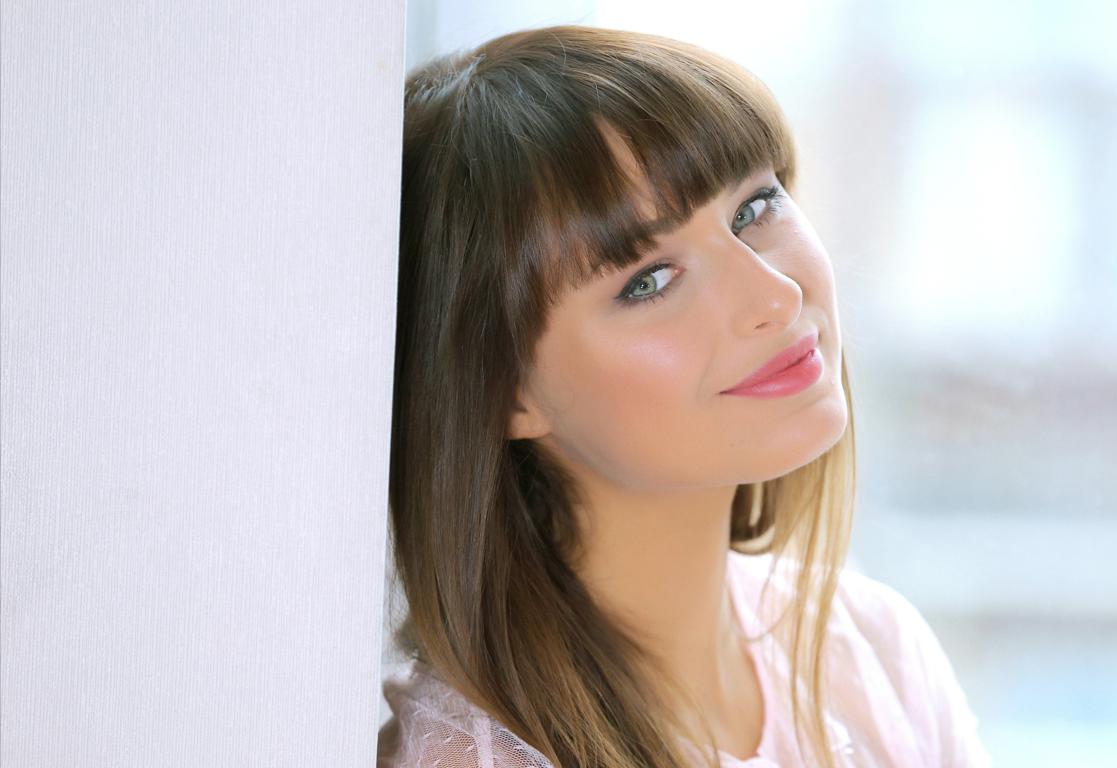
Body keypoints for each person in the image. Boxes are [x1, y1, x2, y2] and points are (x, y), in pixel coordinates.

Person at [379, 23, 991, 768]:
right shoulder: (477, 757)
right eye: (650, 281)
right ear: (504, 390)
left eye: (753, 210)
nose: (775, 294)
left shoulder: (872, 654)